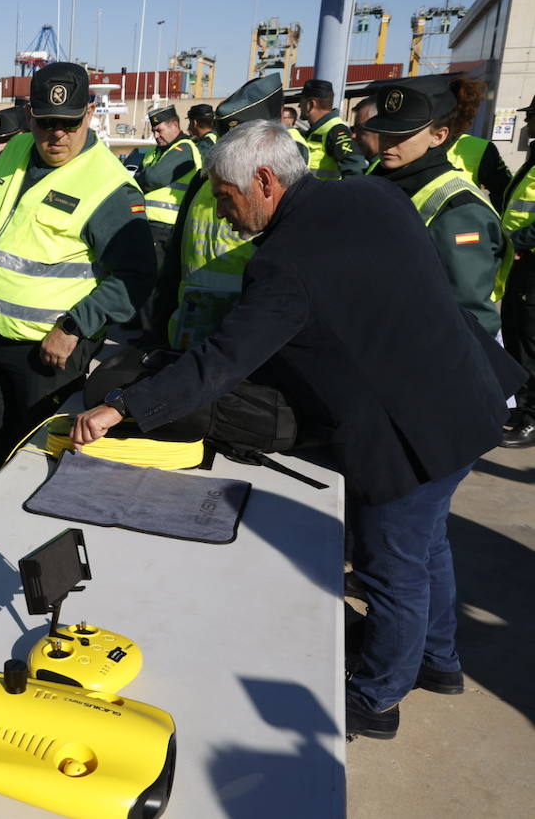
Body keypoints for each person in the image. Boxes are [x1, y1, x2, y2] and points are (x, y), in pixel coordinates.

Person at [71, 119, 523, 740]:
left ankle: (377, 699)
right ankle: (438, 661)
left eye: (225, 197)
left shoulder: (285, 265)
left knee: (391, 567)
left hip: (409, 431)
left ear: (262, 181)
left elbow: (220, 364)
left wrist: (121, 406)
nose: (223, 214)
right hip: (469, 396)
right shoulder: (368, 193)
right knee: (428, 545)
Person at [0, 61, 156, 488]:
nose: (57, 135)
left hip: (50, 354)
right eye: (47, 122)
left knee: (36, 460)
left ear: (89, 114)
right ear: (30, 116)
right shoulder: (13, 153)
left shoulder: (109, 187)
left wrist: (74, 327)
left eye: (69, 123)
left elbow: (136, 275)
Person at [149, 73, 300, 350]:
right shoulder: (204, 176)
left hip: (246, 330)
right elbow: (177, 255)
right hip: (190, 324)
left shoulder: (288, 178)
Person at [364, 75, 506, 336]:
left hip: (421, 346)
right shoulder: (380, 170)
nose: (388, 142)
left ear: (439, 137)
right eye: (385, 131)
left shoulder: (459, 209)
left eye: (403, 134)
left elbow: (472, 317)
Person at [499, 95, 535, 449]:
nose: (527, 124)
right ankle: (521, 409)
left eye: (533, 117)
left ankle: (531, 417)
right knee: (517, 336)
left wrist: (519, 238)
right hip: (521, 264)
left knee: (530, 342)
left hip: (531, 263)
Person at [135, 104, 202, 248]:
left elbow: (155, 178)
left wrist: (141, 179)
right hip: (147, 222)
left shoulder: (184, 148)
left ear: (175, 125)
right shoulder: (154, 152)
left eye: (159, 130)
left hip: (167, 226)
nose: (156, 136)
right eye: (153, 131)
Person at [299, 78, 369, 179]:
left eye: (301, 101)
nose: (299, 106)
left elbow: (355, 167)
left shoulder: (336, 130)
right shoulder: (318, 130)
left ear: (311, 104)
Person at [351, 95, 380, 163]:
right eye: (353, 129)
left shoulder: (387, 169)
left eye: (360, 129)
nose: (353, 136)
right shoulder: (377, 167)